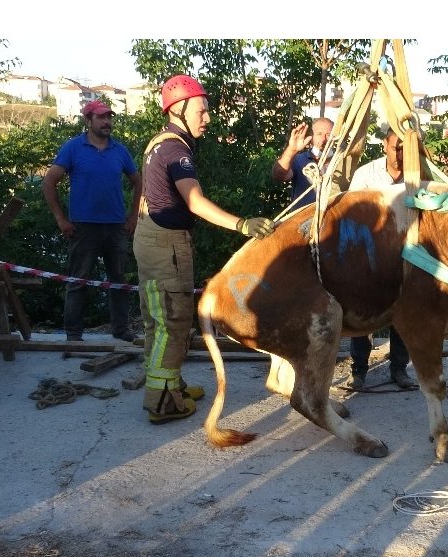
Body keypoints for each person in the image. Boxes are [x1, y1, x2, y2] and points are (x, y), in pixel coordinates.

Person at [135, 75, 276, 424]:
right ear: (179, 109)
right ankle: (162, 402)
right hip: (165, 245)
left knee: (158, 320)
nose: (207, 118)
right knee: (172, 322)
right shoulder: (175, 149)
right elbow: (195, 201)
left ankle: (171, 383)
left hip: (150, 239)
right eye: (202, 110)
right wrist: (241, 224)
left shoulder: (158, 143)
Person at [42, 98, 142, 343]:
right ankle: (74, 335)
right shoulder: (73, 148)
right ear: (88, 120)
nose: (107, 121)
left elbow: (139, 182)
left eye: (109, 117)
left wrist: (133, 217)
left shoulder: (120, 150)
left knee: (118, 281)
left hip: (116, 226)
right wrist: (60, 219)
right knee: (78, 281)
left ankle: (121, 329)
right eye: (101, 117)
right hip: (83, 227)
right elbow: (48, 182)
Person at [344, 129, 416, 390]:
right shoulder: (366, 174)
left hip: (405, 253)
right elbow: (350, 211)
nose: (399, 154)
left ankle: (399, 369)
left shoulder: (418, 176)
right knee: (365, 311)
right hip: (369, 253)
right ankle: (359, 371)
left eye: (404, 149)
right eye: (395, 146)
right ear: (384, 144)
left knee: (403, 312)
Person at [271, 117, 334, 213]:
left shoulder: (342, 161)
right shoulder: (298, 160)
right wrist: (292, 150)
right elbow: (279, 175)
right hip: (303, 221)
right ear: (311, 137)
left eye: (328, 135)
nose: (323, 139)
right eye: (319, 134)